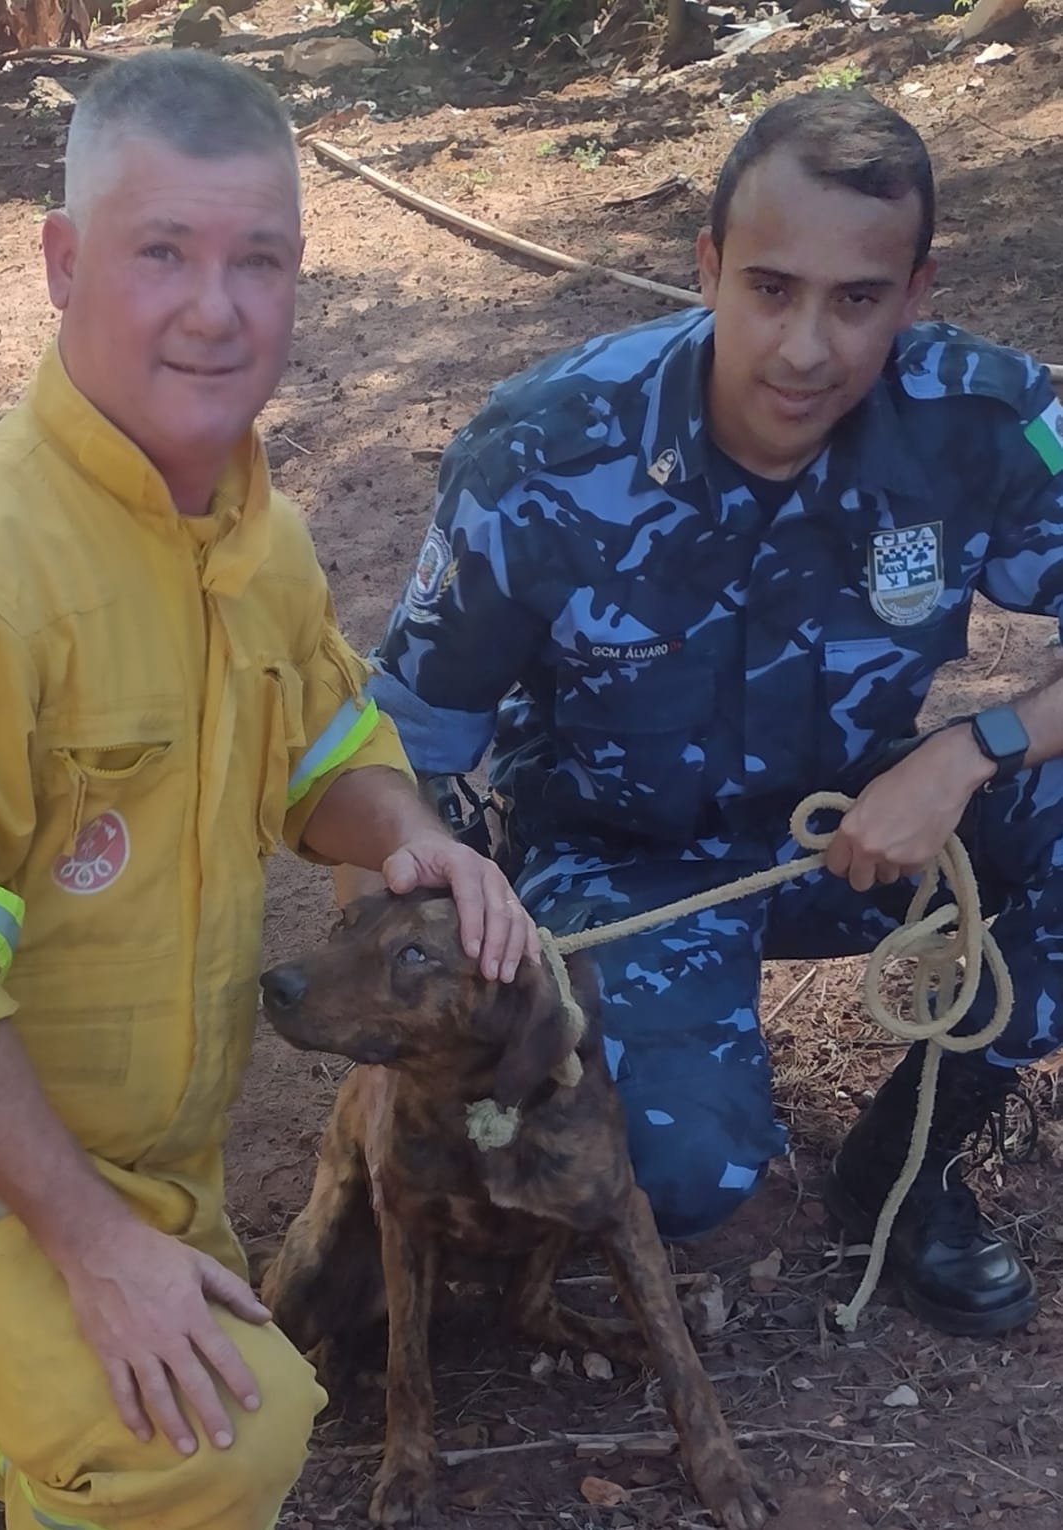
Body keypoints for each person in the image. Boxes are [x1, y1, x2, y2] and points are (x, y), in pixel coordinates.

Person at [0, 52, 537, 1530]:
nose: (217, 307)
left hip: (157, 1150)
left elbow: (331, 763)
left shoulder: (261, 538)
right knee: (205, 1450)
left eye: (257, 259)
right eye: (163, 254)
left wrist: (422, 848)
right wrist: (90, 1242)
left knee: (188, 1402)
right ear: (64, 263)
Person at [360, 89, 1063, 1340]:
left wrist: (973, 748)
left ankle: (905, 1165)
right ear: (706, 270)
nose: (805, 348)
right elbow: (405, 746)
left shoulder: (982, 420)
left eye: (856, 300)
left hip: (852, 827)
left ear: (912, 290)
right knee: (684, 1180)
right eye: (769, 288)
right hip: (615, 866)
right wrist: (455, 947)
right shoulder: (545, 451)